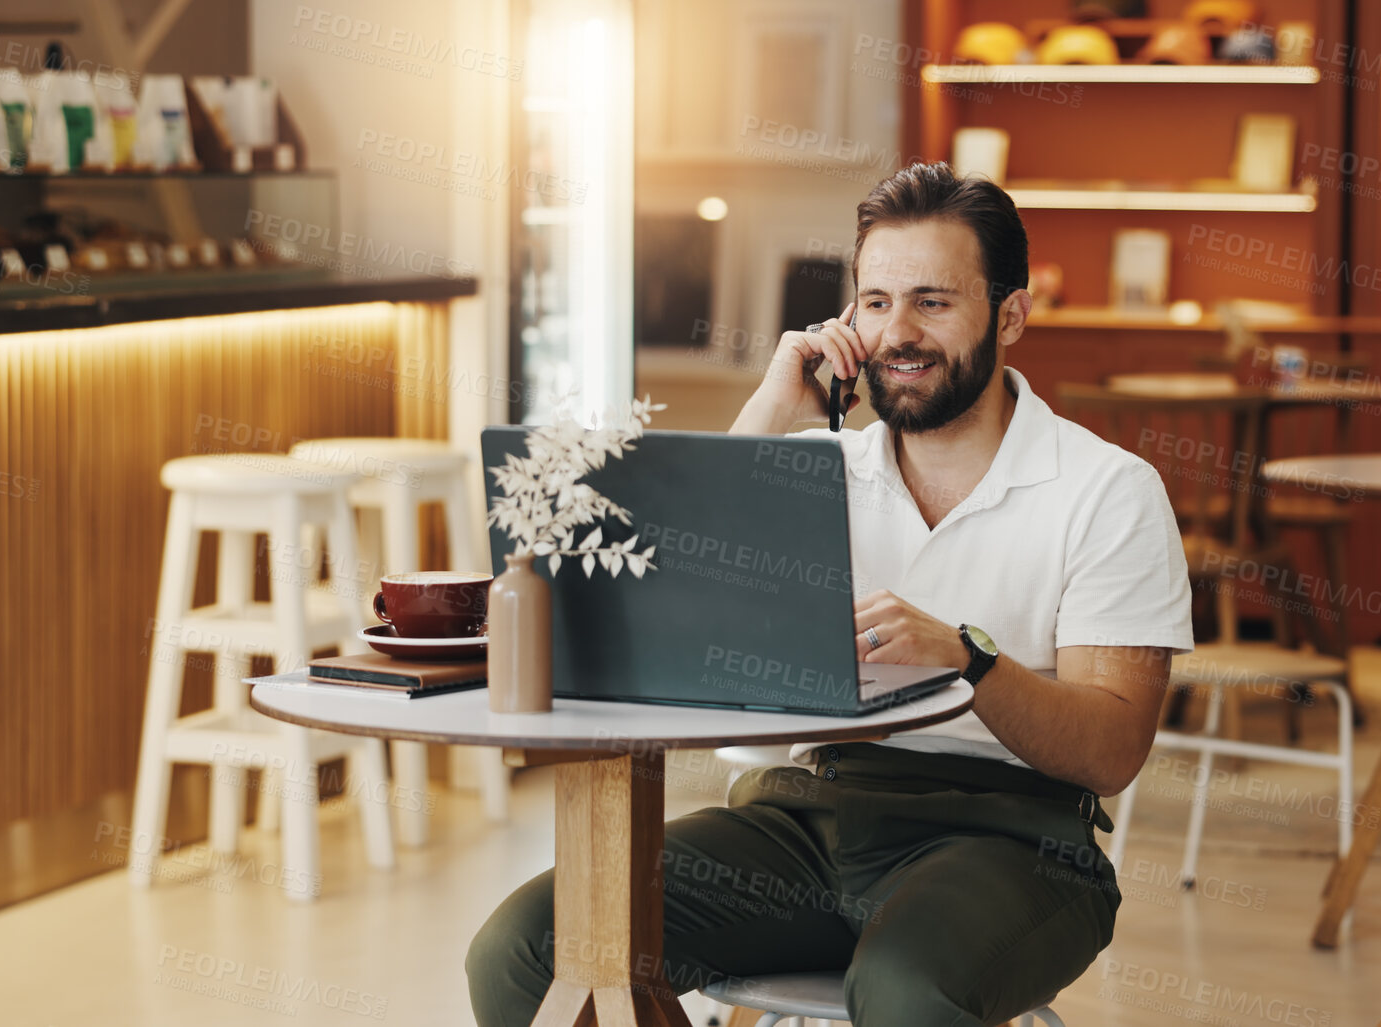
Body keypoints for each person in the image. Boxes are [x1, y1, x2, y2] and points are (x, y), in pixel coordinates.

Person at [467, 162, 1194, 1026]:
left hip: (1018, 838)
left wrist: (970, 660)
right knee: (526, 946)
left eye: (932, 301)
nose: (899, 333)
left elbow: (1111, 749)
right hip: (812, 818)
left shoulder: (1108, 489)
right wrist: (774, 409)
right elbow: (668, 616)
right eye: (876, 302)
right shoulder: (817, 468)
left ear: (1011, 315)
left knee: (902, 991)